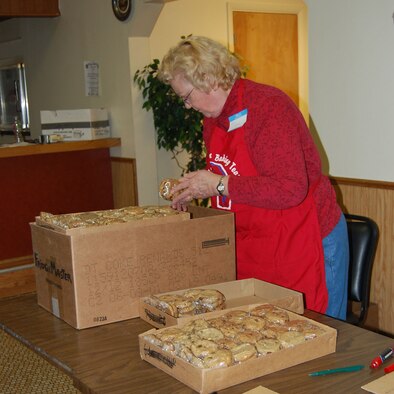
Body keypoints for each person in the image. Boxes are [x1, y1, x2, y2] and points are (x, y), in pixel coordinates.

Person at [158, 35, 349, 319]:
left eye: (186, 96)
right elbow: (232, 180)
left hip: (309, 239)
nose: (187, 106)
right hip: (261, 242)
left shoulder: (269, 107)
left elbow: (291, 188)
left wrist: (218, 184)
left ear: (208, 79)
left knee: (321, 333)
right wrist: (199, 189)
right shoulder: (213, 121)